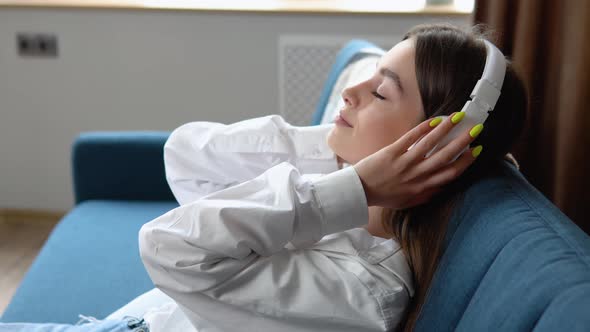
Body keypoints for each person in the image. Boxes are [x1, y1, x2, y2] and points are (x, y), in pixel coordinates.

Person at [0, 23, 527, 332]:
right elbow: (187, 159)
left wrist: (356, 186)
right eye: (365, 80)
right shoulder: (345, 214)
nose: (351, 93)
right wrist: (346, 163)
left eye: (381, 92)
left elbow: (167, 247)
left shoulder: (361, 292)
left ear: (434, 146)